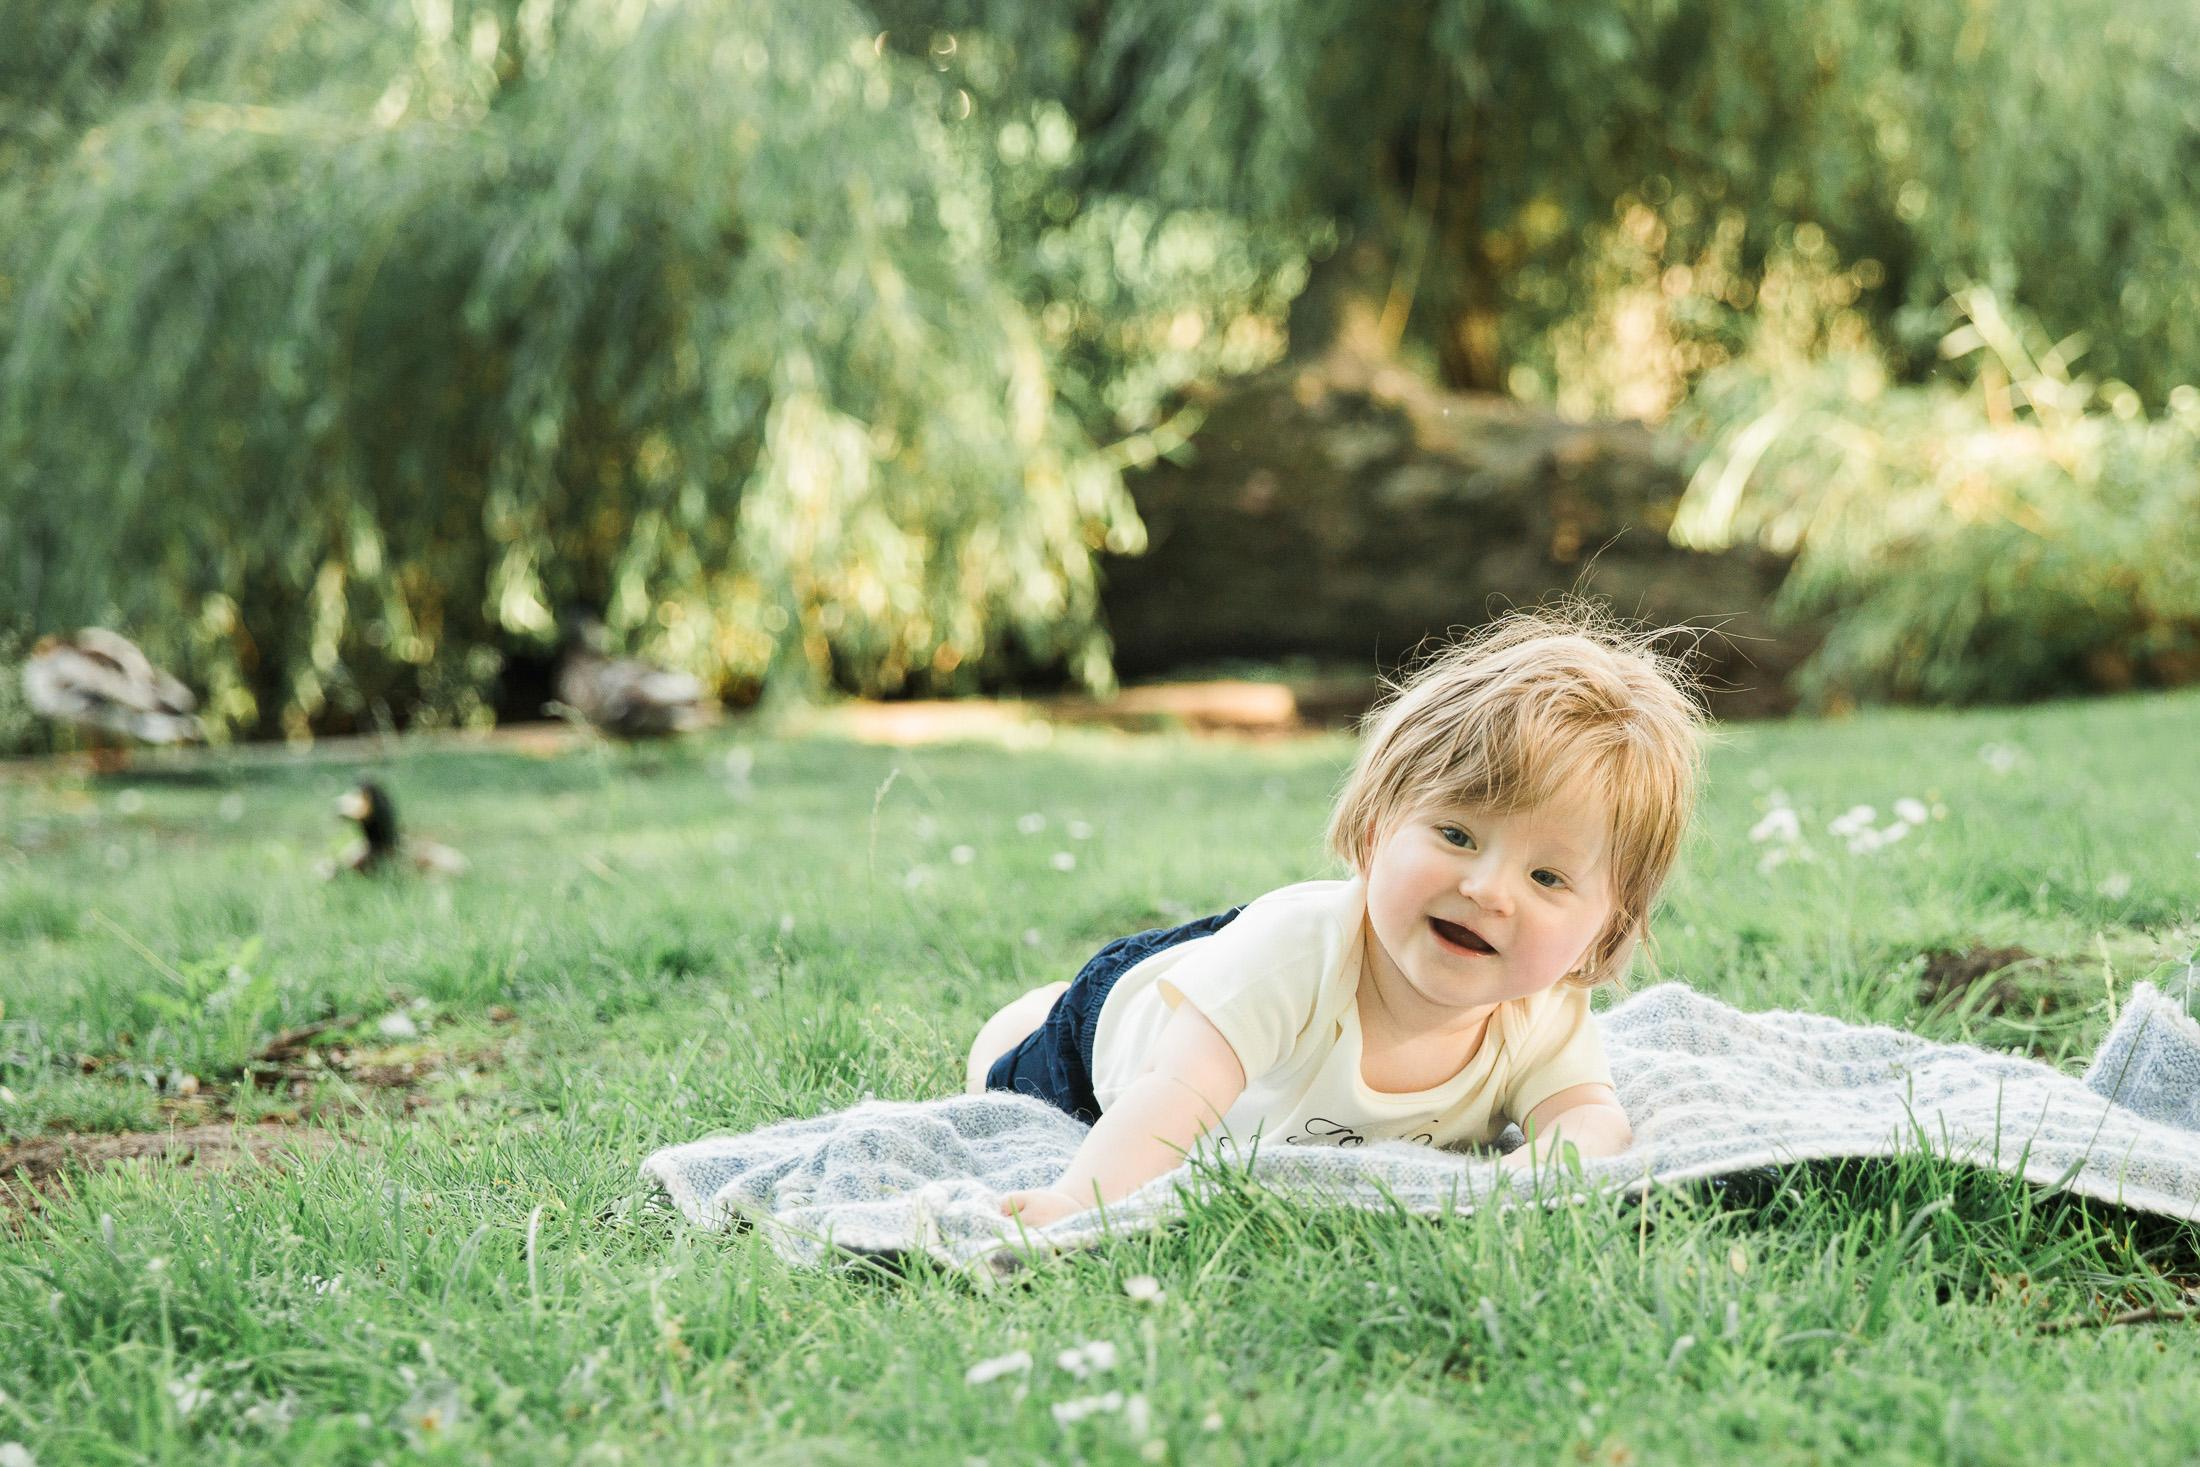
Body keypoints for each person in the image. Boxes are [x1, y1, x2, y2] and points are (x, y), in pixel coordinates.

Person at [964, 602, 1708, 1228]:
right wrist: (1074, 1202)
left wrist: (1523, 1181)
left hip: (1256, 1014)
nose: (1488, 889)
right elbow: (1176, 1096)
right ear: (1377, 826)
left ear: (1603, 929)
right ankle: (1032, 1010)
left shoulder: (1542, 1012)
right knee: (1006, 1070)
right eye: (1456, 834)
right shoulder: (1292, 958)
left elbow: (1591, 1121)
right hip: (1123, 1035)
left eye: (1547, 876)